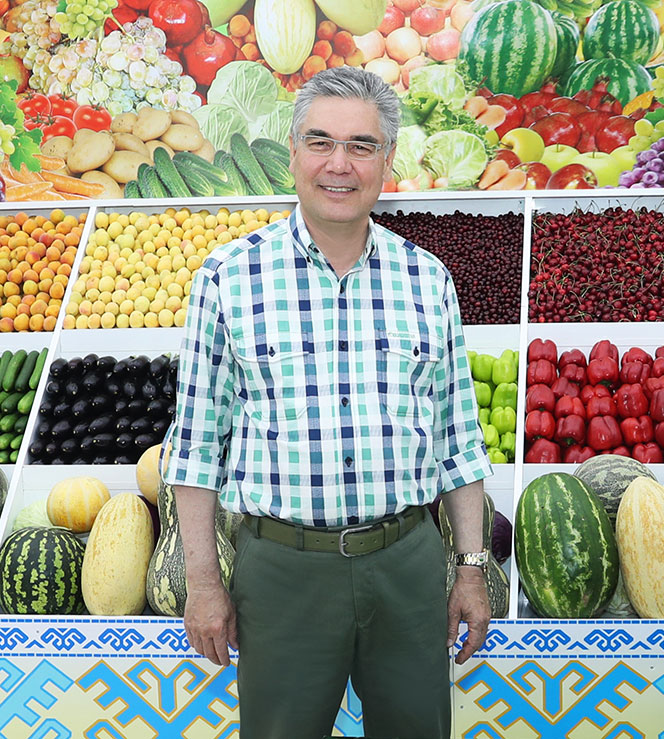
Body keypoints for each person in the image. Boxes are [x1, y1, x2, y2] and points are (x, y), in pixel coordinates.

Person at [163, 66, 493, 739]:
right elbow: (195, 448)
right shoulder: (227, 278)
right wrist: (203, 582)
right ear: (292, 152)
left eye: (361, 146)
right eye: (320, 142)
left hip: (407, 561)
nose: (339, 165)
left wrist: (471, 570)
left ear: (386, 162)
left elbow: (459, 444)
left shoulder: (428, 281)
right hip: (283, 570)